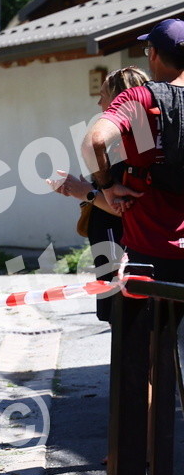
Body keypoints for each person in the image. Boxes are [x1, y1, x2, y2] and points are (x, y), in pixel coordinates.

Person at [83, 19, 184, 281]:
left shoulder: (139, 97)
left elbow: (94, 142)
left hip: (149, 251)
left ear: (154, 53)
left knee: (138, 308)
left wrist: (107, 186)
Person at [48, 65, 145, 320]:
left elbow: (127, 208)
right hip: (109, 244)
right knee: (115, 318)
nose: (99, 103)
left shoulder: (136, 146)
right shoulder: (122, 142)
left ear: (120, 98)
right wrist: (78, 188)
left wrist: (86, 192)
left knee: (122, 319)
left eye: (103, 95)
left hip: (121, 246)